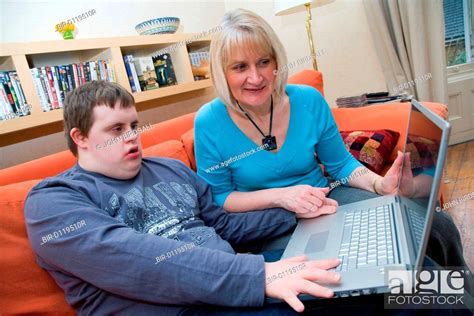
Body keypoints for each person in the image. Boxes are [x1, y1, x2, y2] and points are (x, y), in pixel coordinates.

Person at [194, 8, 471, 286]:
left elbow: (340, 164)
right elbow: (220, 197)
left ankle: (466, 297)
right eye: (240, 67)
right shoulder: (209, 122)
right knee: (416, 269)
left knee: (437, 224)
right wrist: (283, 197)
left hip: (328, 197)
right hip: (270, 221)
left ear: (277, 62)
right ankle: (445, 300)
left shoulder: (308, 101)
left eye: (263, 62)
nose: (255, 78)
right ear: (223, 73)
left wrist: (380, 186)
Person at [24, 80, 349, 315]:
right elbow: (134, 259)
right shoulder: (52, 202)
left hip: (238, 275)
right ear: (80, 138)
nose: (132, 137)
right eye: (116, 130)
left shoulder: (169, 169)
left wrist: (293, 211)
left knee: (359, 275)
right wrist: (257, 275)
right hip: (182, 306)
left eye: (134, 125)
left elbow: (224, 226)